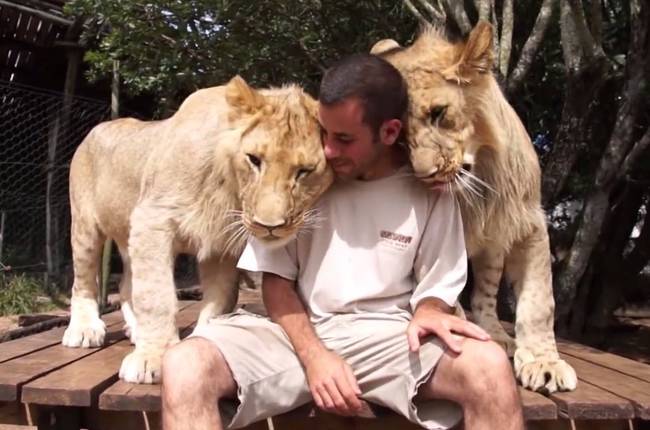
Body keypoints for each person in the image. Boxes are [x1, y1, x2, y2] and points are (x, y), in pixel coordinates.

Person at [161, 54, 524, 430]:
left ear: (389, 132)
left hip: (391, 336)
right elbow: (276, 281)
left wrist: (430, 309)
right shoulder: (306, 172)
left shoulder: (431, 191)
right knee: (185, 365)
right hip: (298, 333)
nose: (329, 151)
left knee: (490, 367)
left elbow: (438, 282)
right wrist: (316, 357)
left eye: (344, 139)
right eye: (325, 133)